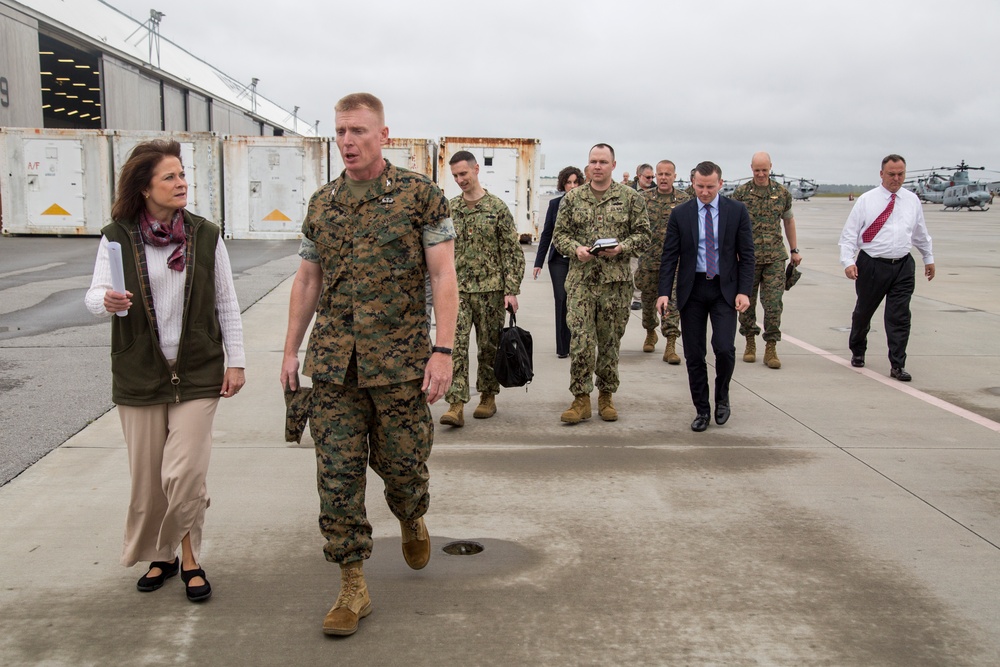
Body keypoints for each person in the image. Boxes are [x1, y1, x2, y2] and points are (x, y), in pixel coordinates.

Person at [279, 93, 458, 636]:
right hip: (334, 366)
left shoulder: (420, 197)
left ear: (384, 135)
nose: (347, 142)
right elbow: (307, 279)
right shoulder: (323, 203)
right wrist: (290, 349)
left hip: (400, 364)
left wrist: (443, 351)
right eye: (340, 131)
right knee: (337, 477)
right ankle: (352, 584)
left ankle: (410, 513)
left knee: (404, 467)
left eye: (358, 131)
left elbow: (443, 277)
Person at [85, 139, 246, 603]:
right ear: (144, 188)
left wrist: (235, 360)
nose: (182, 183)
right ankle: (166, 554)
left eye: (182, 174)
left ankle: (189, 557)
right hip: (140, 372)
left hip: (198, 370)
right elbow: (94, 295)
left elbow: (226, 304)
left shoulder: (205, 234)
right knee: (149, 479)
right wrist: (107, 302)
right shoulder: (116, 236)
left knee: (186, 473)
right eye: (170, 177)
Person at [553, 143, 650, 423]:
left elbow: (644, 236)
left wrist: (622, 247)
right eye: (593, 161)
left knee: (609, 343)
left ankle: (606, 395)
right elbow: (560, 236)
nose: (598, 166)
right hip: (582, 283)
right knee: (581, 342)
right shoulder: (572, 199)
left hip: (615, 285)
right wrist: (576, 249)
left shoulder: (631, 199)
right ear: (588, 166)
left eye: (603, 162)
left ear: (613, 165)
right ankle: (580, 399)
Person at [657, 161, 754, 432]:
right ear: (692, 183)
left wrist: (744, 291)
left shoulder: (737, 211)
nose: (704, 192)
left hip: (724, 289)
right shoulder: (681, 214)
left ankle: (722, 396)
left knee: (724, 349)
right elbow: (669, 257)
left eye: (710, 187)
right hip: (693, 289)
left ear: (720, 184)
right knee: (694, 354)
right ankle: (702, 409)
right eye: (699, 186)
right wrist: (664, 292)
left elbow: (747, 256)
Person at [439, 151, 525, 427]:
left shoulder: (497, 208)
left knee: (488, 347)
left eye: (463, 173)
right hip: (458, 291)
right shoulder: (450, 209)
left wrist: (511, 290)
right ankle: (456, 403)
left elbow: (512, 252)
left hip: (491, 291)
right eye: (455, 176)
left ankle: (488, 396)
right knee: (456, 346)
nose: (460, 180)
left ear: (476, 169)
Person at [839, 154, 934, 381]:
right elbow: (849, 234)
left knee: (899, 317)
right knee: (864, 312)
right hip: (872, 264)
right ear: (881, 174)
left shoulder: (912, 200)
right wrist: (848, 262)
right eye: (891, 174)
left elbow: (920, 233)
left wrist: (928, 258)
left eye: (900, 174)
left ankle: (898, 364)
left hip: (902, 265)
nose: (896, 178)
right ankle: (858, 350)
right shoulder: (866, 200)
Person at [730, 152, 802, 369]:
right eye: (757, 170)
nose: (761, 174)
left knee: (773, 304)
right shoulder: (741, 193)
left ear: (771, 167)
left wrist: (794, 249)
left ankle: (771, 346)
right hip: (747, 259)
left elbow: (788, 222)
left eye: (764, 170)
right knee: (746, 303)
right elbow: (731, 224)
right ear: (751, 168)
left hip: (774, 258)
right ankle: (749, 342)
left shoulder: (781, 193)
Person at [637, 160, 690, 362]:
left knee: (672, 303)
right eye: (660, 174)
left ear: (675, 176)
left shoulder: (685, 200)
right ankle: (650, 330)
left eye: (668, 174)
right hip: (649, 261)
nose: (664, 177)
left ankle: (671, 344)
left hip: (675, 263)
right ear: (655, 176)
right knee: (648, 302)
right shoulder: (643, 199)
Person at [533, 166, 584, 359]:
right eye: (568, 182)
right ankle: (563, 347)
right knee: (561, 300)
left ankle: (578, 342)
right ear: (563, 184)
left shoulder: (585, 204)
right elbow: (547, 234)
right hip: (558, 262)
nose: (572, 186)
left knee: (577, 302)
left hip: (580, 260)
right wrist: (538, 262)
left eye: (575, 182)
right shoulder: (555, 204)